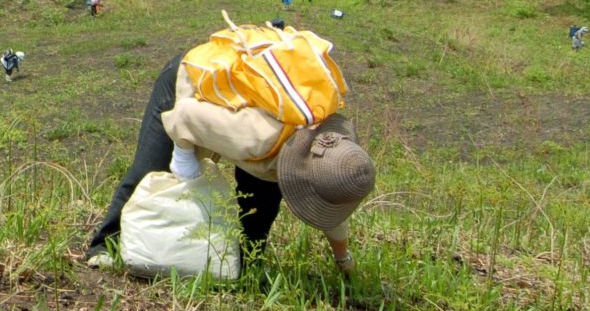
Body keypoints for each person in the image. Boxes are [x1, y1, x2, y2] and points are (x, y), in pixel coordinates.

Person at [87, 26, 375, 275]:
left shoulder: (333, 153)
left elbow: (332, 196)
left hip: (258, 109)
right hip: (197, 81)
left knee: (261, 204)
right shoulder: (257, 138)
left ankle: (243, 267)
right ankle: (105, 244)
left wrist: (343, 259)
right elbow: (186, 117)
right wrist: (185, 161)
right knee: (153, 169)